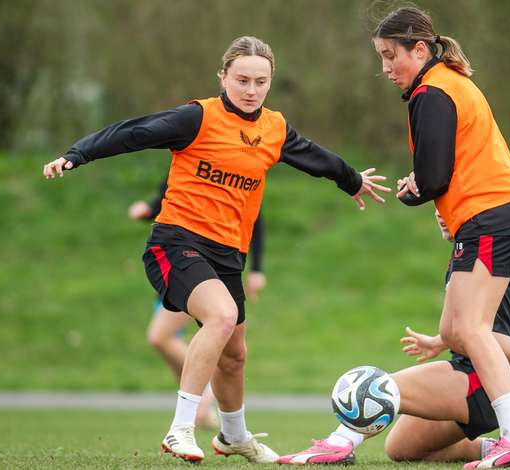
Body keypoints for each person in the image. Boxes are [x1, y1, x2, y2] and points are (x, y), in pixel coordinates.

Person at [43, 36, 390, 463]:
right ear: (223, 76)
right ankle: (180, 429)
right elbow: (133, 133)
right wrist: (77, 154)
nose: (250, 90)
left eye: (260, 82)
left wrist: (351, 179)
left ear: (270, 82)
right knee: (221, 316)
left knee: (235, 356)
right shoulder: (197, 118)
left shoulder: (273, 129)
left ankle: (233, 436)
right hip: (176, 241)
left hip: (228, 255)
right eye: (242, 79)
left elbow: (314, 157)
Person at [372, 7, 510, 467]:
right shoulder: (452, 83)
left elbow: (435, 176)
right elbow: (453, 168)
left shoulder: (431, 91)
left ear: (419, 49)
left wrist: (412, 191)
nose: (386, 68)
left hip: (491, 218)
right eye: (380, 58)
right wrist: (427, 187)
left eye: (390, 55)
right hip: (498, 216)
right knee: (457, 332)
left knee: (470, 330)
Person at [278, 207, 510, 466]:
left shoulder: (487, 253)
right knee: (400, 449)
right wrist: (441, 339)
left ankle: (339, 443)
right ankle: (498, 449)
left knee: (375, 388)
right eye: (438, 204)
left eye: (450, 201)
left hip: (481, 383)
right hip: (480, 386)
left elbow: (478, 329)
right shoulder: (471, 252)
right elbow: (473, 321)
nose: (439, 211)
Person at [128, 179, 269, 429]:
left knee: (163, 335)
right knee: (169, 338)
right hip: (177, 256)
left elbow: (254, 217)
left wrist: (256, 269)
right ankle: (201, 407)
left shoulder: (233, 165)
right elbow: (168, 194)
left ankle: (202, 398)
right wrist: (148, 210)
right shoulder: (187, 154)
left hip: (207, 265)